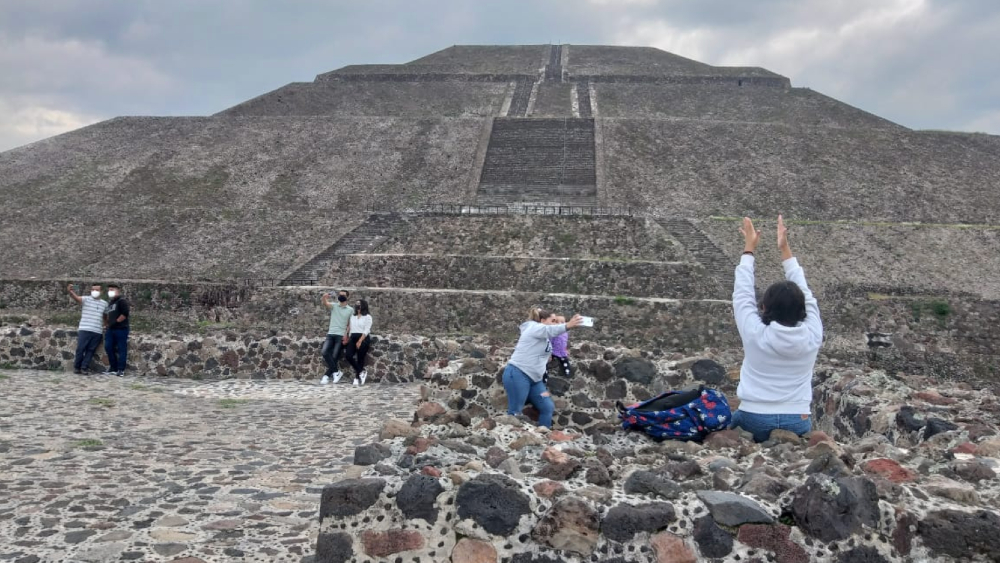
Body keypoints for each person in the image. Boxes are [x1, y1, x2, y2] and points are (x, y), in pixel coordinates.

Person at [729, 216, 823, 442]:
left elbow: (742, 294)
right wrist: (785, 250)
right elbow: (806, 294)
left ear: (763, 307)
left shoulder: (755, 333)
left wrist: (749, 249)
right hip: (797, 418)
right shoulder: (813, 334)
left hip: (754, 417)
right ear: (803, 309)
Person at [503, 308, 583, 429]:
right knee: (515, 411)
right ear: (543, 320)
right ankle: (510, 438)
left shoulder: (543, 335)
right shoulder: (533, 327)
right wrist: (568, 325)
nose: (556, 323)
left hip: (536, 381)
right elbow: (550, 330)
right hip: (519, 374)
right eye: (553, 320)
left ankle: (543, 434)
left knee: (547, 406)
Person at [66, 283, 108, 375]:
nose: (94, 292)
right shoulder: (86, 299)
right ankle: (77, 367)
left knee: (90, 351)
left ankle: (84, 367)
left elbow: (105, 316)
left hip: (97, 331)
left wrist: (106, 325)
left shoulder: (104, 304)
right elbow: (77, 298)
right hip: (85, 329)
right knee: (80, 349)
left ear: (101, 291)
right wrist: (71, 292)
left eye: (97, 290)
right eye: (93, 290)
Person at [320, 289, 353, 385]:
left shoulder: (350, 310)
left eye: (343, 295)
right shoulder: (334, 306)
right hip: (331, 333)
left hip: (340, 335)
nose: (341, 296)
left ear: (347, 297)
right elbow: (326, 304)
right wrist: (324, 298)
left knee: (335, 356)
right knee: (325, 352)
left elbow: (349, 324)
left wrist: (346, 335)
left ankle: (326, 376)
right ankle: (336, 372)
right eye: (340, 295)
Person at [103, 283, 130, 377]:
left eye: (112, 289)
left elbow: (125, 313)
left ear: (117, 291)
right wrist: (106, 324)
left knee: (122, 348)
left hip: (121, 329)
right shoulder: (110, 303)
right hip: (110, 330)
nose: (110, 291)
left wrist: (116, 322)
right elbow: (105, 314)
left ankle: (121, 369)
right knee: (108, 346)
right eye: (109, 290)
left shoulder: (121, 301)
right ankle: (113, 367)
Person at [345, 299, 373, 386]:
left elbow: (367, 329)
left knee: (360, 358)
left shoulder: (367, 317)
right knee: (348, 355)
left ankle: (357, 377)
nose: (357, 305)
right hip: (353, 337)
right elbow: (350, 327)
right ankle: (361, 372)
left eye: (359, 304)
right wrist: (347, 336)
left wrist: (360, 341)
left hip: (363, 338)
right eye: (356, 304)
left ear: (363, 305)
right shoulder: (353, 316)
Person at [549, 315, 572, 379]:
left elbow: (564, 342)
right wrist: (549, 353)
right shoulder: (552, 332)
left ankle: (567, 373)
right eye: (557, 321)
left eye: (562, 322)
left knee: (565, 361)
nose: (559, 323)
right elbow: (549, 342)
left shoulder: (565, 333)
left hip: (562, 351)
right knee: (546, 363)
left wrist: (565, 349)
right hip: (553, 351)